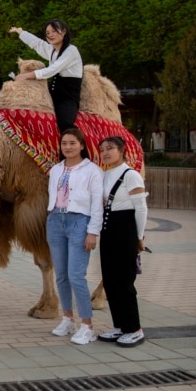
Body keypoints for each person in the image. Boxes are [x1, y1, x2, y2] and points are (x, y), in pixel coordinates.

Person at [46, 128, 103, 345]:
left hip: (79, 222)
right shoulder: (56, 170)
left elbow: (97, 204)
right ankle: (68, 319)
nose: (68, 147)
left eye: (72, 143)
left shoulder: (92, 171)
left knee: (76, 275)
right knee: (60, 275)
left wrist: (92, 232)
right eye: (64, 143)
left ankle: (87, 325)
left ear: (81, 145)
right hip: (55, 221)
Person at [97, 136, 148, 347]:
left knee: (125, 282)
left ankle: (134, 329)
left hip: (125, 229)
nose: (106, 153)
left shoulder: (131, 175)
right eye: (102, 150)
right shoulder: (105, 174)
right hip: (108, 230)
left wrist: (139, 237)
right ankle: (120, 325)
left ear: (121, 150)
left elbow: (141, 208)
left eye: (110, 148)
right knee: (110, 280)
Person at [9, 19, 83, 135]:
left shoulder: (71, 50)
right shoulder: (52, 50)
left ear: (64, 32)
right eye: (48, 33)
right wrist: (21, 32)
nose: (50, 35)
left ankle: (80, 152)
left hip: (67, 98)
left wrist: (26, 75)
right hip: (52, 94)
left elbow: (52, 70)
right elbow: (37, 44)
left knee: (65, 124)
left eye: (54, 31)